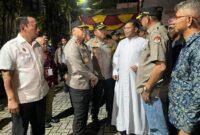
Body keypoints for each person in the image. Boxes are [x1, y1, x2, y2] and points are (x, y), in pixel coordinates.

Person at [0, 16, 49, 135]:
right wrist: (11, 99)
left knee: (39, 130)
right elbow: (6, 76)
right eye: (35, 26)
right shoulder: (10, 47)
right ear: (23, 27)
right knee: (20, 132)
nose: (38, 29)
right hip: (22, 100)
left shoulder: (37, 45)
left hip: (40, 96)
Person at [136, 6, 169, 135]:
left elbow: (160, 66)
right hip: (154, 90)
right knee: (156, 126)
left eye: (141, 18)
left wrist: (147, 89)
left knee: (158, 129)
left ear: (147, 18)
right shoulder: (156, 32)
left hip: (153, 91)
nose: (141, 21)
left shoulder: (156, 34)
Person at [111, 21, 148, 135]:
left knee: (136, 104)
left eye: (128, 28)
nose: (125, 30)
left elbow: (147, 59)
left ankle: (138, 128)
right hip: (122, 81)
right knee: (123, 103)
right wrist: (115, 70)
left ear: (136, 29)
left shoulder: (144, 42)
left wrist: (138, 66)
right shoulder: (121, 43)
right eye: (124, 28)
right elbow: (116, 58)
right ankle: (124, 126)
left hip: (135, 80)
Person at [168, 1, 200, 135]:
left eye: (176, 17)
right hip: (180, 120)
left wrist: (187, 128)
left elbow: (198, 92)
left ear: (189, 20)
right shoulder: (187, 44)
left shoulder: (198, 47)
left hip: (190, 128)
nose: (173, 22)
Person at [63, 20, 98, 135]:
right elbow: (79, 67)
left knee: (84, 111)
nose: (84, 31)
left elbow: (87, 63)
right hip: (78, 85)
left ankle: (82, 131)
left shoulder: (82, 44)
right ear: (74, 31)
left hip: (86, 82)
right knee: (80, 113)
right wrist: (93, 77)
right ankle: (78, 132)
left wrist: (91, 78)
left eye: (84, 29)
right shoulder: (71, 46)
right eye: (81, 29)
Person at [86, 22, 115, 126]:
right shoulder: (89, 44)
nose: (104, 31)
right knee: (96, 99)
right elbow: (86, 61)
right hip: (97, 78)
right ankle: (95, 119)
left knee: (110, 99)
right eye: (101, 30)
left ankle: (111, 119)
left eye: (104, 29)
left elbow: (116, 58)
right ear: (95, 32)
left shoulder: (112, 43)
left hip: (109, 77)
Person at [36, 37, 59, 128]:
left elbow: (53, 67)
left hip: (50, 82)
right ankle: (43, 120)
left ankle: (49, 117)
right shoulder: (36, 55)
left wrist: (54, 80)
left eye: (45, 43)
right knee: (42, 104)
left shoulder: (49, 54)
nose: (45, 45)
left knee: (49, 102)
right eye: (43, 44)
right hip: (42, 84)